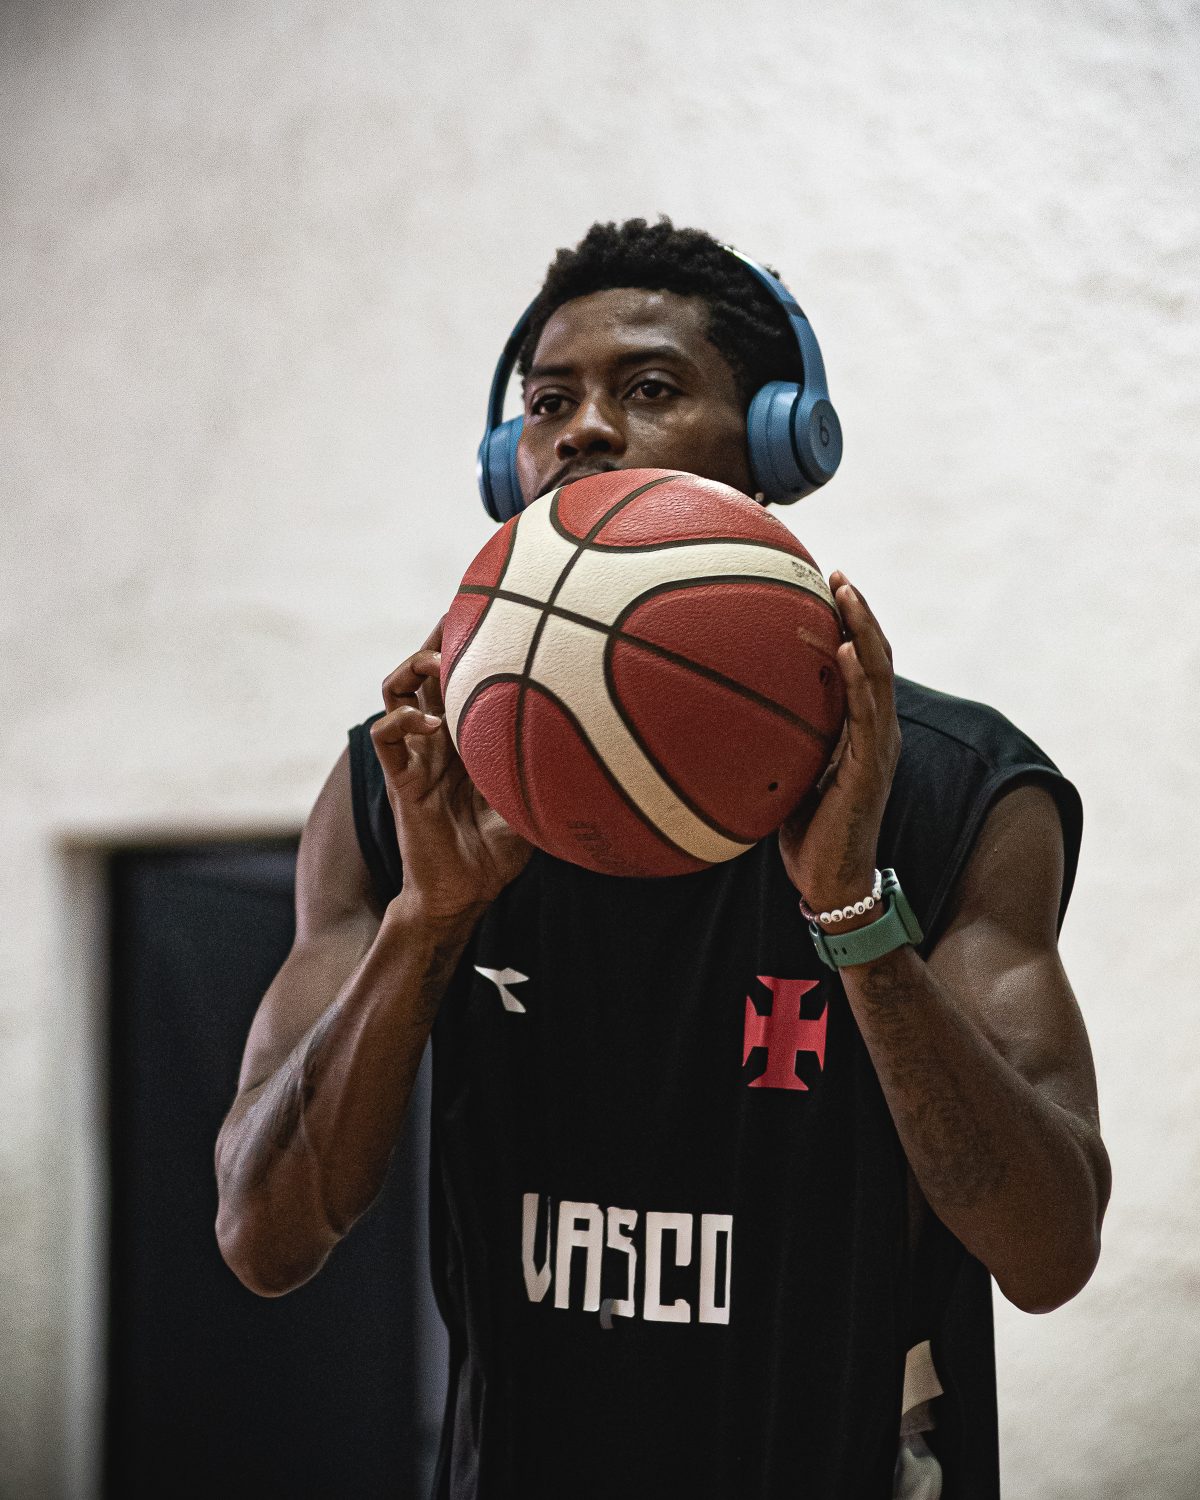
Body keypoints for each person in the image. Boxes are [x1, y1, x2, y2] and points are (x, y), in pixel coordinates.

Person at [215, 218, 1110, 1499]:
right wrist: (429, 920)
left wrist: (853, 913)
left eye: (647, 388)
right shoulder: (403, 787)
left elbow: (1049, 1251)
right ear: (509, 461)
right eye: (547, 402)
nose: (582, 429)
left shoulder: (952, 790)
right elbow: (265, 1238)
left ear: (775, 448)